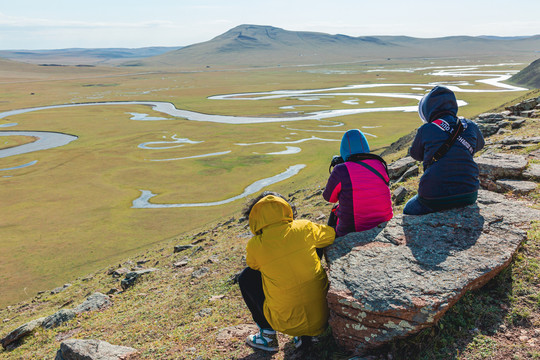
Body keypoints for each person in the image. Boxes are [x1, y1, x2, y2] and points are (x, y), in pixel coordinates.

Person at [238, 191, 335, 352]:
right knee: (313, 246)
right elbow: (330, 235)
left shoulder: (255, 245)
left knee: (247, 277)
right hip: (323, 317)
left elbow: (253, 265)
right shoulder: (305, 227)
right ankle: (307, 334)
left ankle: (268, 336)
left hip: (285, 323)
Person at [403, 85, 485, 215]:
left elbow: (415, 154)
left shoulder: (426, 129)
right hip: (469, 193)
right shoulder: (469, 125)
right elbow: (480, 145)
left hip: (433, 197)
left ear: (428, 109)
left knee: (408, 209)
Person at [322, 129, 393, 237]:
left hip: (353, 229)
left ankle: (330, 248)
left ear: (343, 150)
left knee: (334, 213)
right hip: (384, 222)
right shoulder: (379, 164)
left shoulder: (341, 170)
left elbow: (329, 198)